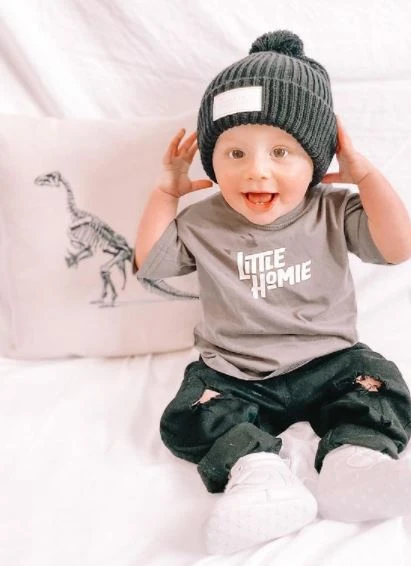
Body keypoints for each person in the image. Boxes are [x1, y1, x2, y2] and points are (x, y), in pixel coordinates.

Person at [134, 30, 411, 555]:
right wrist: (166, 192)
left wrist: (367, 176)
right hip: (234, 371)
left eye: (281, 152)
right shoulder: (203, 221)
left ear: (317, 160)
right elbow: (150, 264)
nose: (256, 170)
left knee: (380, 384)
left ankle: (354, 464)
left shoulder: (332, 209)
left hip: (329, 360)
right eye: (235, 152)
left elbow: (398, 247)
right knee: (190, 413)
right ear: (212, 161)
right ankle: (259, 474)